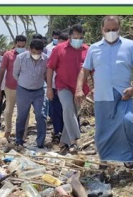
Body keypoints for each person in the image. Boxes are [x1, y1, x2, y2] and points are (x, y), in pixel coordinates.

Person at [76, 16, 133, 168]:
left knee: (126, 122)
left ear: (119, 29)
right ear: (102, 30)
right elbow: (85, 70)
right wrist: (79, 89)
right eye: (108, 30)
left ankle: (132, 150)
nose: (111, 32)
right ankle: (106, 161)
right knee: (103, 130)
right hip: (102, 95)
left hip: (124, 94)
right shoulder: (94, 48)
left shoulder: (130, 45)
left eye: (114, 29)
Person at [47, 24, 90, 153]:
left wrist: (94, 87)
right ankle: (74, 141)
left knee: (71, 114)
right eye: (76, 37)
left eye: (81, 37)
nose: (78, 39)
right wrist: (49, 87)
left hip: (80, 88)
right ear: (70, 36)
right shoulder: (59, 49)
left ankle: (63, 142)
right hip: (63, 85)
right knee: (67, 108)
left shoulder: (87, 50)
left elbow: (92, 70)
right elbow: (50, 68)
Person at [13, 39, 48, 148]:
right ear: (29, 49)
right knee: (22, 117)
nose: (36, 55)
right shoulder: (21, 58)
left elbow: (47, 74)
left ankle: (40, 143)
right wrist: (23, 82)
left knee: (41, 116)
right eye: (34, 53)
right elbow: (15, 73)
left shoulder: (46, 59)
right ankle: (19, 140)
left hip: (39, 91)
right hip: (23, 90)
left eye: (38, 53)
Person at [0, 35, 28, 140]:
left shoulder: (28, 55)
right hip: (10, 87)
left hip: (25, 87)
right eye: (19, 45)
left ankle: (23, 133)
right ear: (15, 44)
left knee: (24, 112)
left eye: (23, 46)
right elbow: (1, 71)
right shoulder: (8, 55)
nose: (21, 48)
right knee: (8, 110)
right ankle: (8, 130)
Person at [46, 32, 68, 143]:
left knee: (67, 110)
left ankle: (67, 134)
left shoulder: (71, 51)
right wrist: (48, 87)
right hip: (55, 86)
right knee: (56, 111)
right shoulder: (52, 50)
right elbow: (49, 69)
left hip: (67, 87)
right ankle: (58, 132)